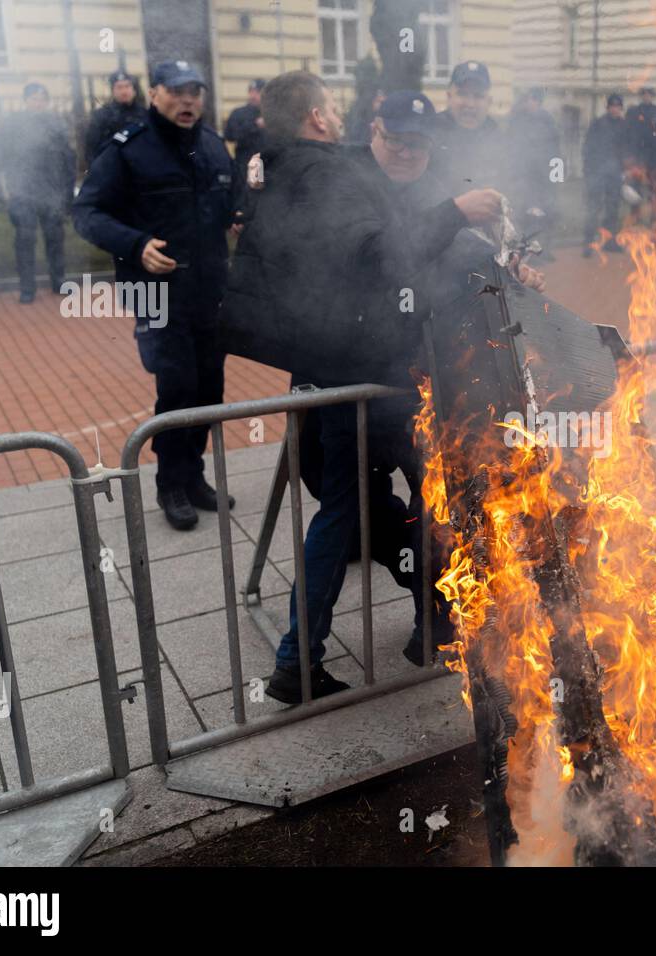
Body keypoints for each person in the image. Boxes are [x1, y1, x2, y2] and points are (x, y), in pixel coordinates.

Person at [221, 75, 541, 703]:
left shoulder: (315, 164)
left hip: (389, 371)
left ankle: (421, 628)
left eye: (417, 142)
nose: (405, 151)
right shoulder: (335, 174)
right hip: (364, 374)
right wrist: (455, 212)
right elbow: (380, 254)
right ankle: (327, 652)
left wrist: (506, 268)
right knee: (378, 507)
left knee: (407, 504)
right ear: (368, 130)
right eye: (394, 137)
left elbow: (455, 253)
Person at [73, 60, 237, 531]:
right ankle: (171, 484)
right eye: (178, 92)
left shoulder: (211, 145)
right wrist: (136, 244)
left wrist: (237, 214)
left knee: (210, 389)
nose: (189, 102)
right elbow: (86, 213)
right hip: (154, 293)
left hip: (208, 289)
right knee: (177, 385)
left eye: (196, 93)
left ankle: (195, 475)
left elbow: (221, 207)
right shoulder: (129, 149)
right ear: (156, 94)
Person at [0, 83, 76, 304]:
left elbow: (67, 158)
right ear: (25, 100)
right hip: (23, 192)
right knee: (25, 239)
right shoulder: (12, 124)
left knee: (55, 239)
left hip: (51, 192)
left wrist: (67, 192)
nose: (37, 102)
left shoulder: (56, 124)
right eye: (33, 98)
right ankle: (27, 288)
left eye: (41, 99)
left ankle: (58, 280)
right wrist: (5, 186)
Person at [427, 60, 507, 194]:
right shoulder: (429, 132)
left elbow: (512, 185)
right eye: (462, 94)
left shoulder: (498, 137)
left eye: (478, 96)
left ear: (489, 101)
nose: (470, 104)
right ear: (449, 97)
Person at [505, 87, 561, 255]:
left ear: (537, 102)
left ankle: (545, 249)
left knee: (547, 212)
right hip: (525, 177)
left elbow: (555, 148)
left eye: (531, 100)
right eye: (527, 100)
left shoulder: (547, 120)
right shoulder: (518, 119)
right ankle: (528, 251)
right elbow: (511, 146)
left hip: (545, 176)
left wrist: (557, 176)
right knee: (527, 214)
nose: (528, 103)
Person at [581, 93, 630, 255]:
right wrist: (589, 171)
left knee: (612, 210)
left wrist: (625, 170)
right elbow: (588, 147)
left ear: (621, 108)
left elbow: (626, 150)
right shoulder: (598, 124)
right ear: (608, 107)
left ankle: (610, 241)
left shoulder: (624, 125)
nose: (615, 109)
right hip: (597, 173)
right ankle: (588, 243)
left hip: (615, 174)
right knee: (593, 208)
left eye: (618, 106)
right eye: (612, 106)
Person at [85, 70, 147, 160]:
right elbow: (92, 149)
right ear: (113, 90)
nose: (124, 91)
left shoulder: (144, 114)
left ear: (133, 89)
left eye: (127, 86)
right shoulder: (102, 116)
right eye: (119, 87)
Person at [223, 79, 266, 181]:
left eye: (257, 92)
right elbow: (229, 136)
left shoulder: (272, 114)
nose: (253, 96)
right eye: (251, 91)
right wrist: (255, 125)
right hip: (244, 167)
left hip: (268, 167)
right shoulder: (238, 113)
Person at [626, 86, 656, 173]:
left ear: (653, 97)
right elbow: (627, 131)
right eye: (644, 95)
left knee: (654, 178)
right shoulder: (633, 111)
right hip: (637, 152)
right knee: (637, 178)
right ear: (641, 96)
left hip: (653, 152)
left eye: (649, 95)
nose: (646, 97)